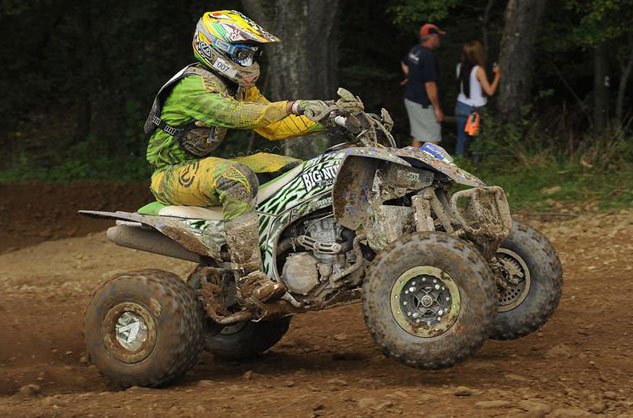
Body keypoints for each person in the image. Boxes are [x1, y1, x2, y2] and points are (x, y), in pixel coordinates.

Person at [144, 10, 342, 304]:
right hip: (170, 173)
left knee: (292, 170)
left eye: (253, 54)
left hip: (197, 166)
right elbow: (235, 115)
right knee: (234, 178)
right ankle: (249, 277)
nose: (250, 62)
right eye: (243, 53)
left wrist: (331, 115)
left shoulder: (237, 86)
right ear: (216, 49)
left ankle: (287, 251)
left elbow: (273, 126)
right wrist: (293, 106)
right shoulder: (193, 85)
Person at [401, 23, 446, 148]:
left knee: (418, 136)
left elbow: (404, 63)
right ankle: (428, 166)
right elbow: (430, 84)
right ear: (432, 37)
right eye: (438, 37)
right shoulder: (428, 56)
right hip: (423, 103)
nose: (439, 40)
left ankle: (412, 165)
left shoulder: (415, 50)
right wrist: (437, 109)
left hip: (410, 98)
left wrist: (410, 76)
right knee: (433, 141)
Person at [454, 40, 501, 157]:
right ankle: (476, 166)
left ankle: (457, 165)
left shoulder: (459, 67)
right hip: (476, 109)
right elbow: (490, 91)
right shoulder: (478, 70)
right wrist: (497, 76)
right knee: (477, 142)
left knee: (461, 139)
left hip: (461, 105)